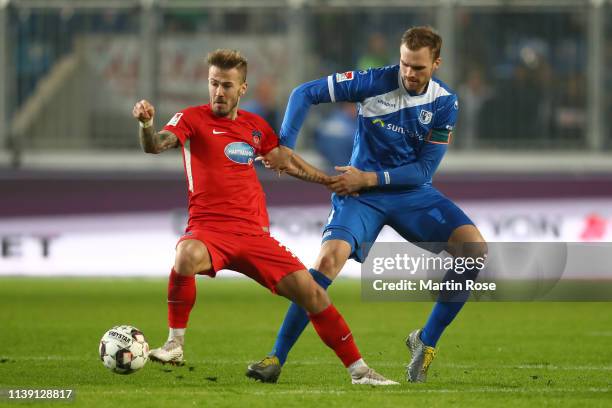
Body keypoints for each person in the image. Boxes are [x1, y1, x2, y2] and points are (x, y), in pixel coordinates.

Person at [131, 49, 396, 386]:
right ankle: (174, 343)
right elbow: (155, 145)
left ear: (242, 89)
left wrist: (328, 180)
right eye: (214, 84)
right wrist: (146, 124)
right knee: (185, 254)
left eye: (227, 85)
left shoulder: (255, 128)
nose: (218, 92)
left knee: (312, 293)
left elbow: (287, 161)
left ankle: (360, 371)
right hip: (209, 230)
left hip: (255, 235)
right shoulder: (191, 119)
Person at [247, 27, 488, 383]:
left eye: (418, 68)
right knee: (327, 261)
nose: (408, 73)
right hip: (360, 196)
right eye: (405, 63)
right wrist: (285, 145)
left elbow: (423, 170)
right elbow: (304, 93)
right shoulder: (372, 81)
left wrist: (370, 178)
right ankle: (275, 358)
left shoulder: (444, 103)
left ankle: (426, 341)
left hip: (407, 192)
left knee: (474, 250)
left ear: (436, 64)